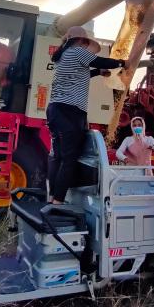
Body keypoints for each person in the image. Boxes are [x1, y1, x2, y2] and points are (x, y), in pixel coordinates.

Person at [47, 26, 126, 204]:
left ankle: (52, 196)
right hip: (71, 111)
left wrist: (98, 73)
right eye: (86, 43)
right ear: (81, 41)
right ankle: (59, 201)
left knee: (58, 156)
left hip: (55, 110)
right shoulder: (77, 52)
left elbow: (80, 75)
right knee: (70, 159)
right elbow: (102, 61)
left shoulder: (63, 56)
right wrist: (122, 63)